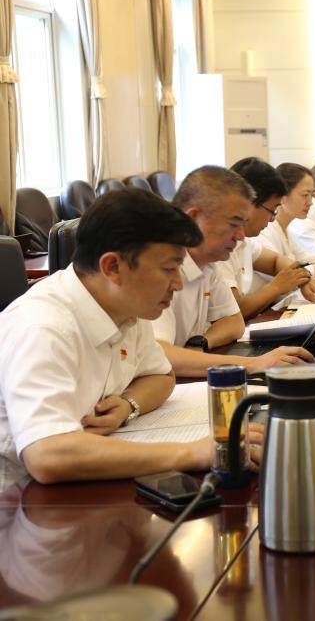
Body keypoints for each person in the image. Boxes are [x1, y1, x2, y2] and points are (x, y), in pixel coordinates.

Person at [1, 190, 226, 482]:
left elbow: (161, 376)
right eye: (169, 269)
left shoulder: (126, 306)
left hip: (76, 482)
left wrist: (128, 405)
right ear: (112, 267)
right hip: (18, 496)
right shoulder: (43, 328)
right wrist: (190, 453)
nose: (178, 284)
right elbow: (47, 455)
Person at [153, 166, 315, 377]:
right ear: (194, 218)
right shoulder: (158, 266)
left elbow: (233, 322)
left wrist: (199, 343)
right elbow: (160, 355)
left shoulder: (207, 262)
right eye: (233, 224)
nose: (240, 236)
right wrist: (252, 364)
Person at [223, 158, 315, 319]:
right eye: (272, 210)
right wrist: (276, 287)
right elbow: (233, 314)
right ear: (248, 204)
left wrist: (303, 279)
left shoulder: (243, 241)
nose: (272, 219)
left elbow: (275, 261)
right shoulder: (220, 246)